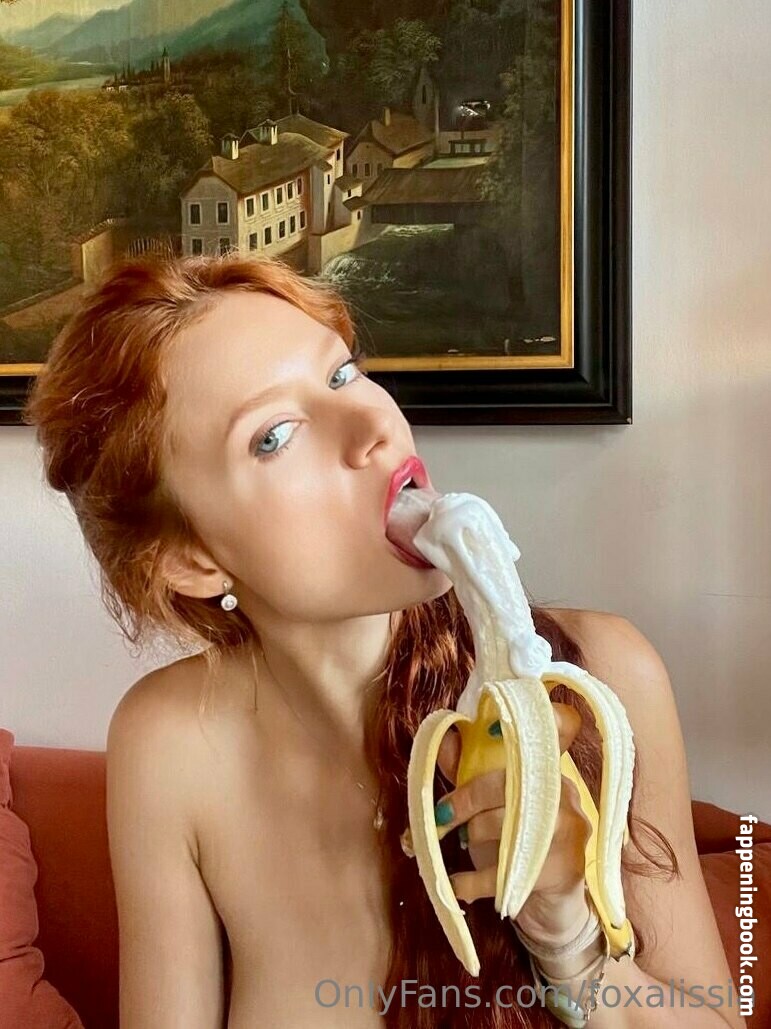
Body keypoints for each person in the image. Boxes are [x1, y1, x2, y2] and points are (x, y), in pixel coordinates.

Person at [23, 253, 745, 1029]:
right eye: (274, 436)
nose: (373, 427)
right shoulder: (170, 741)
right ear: (191, 559)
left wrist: (568, 938)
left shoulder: (600, 678)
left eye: (343, 374)